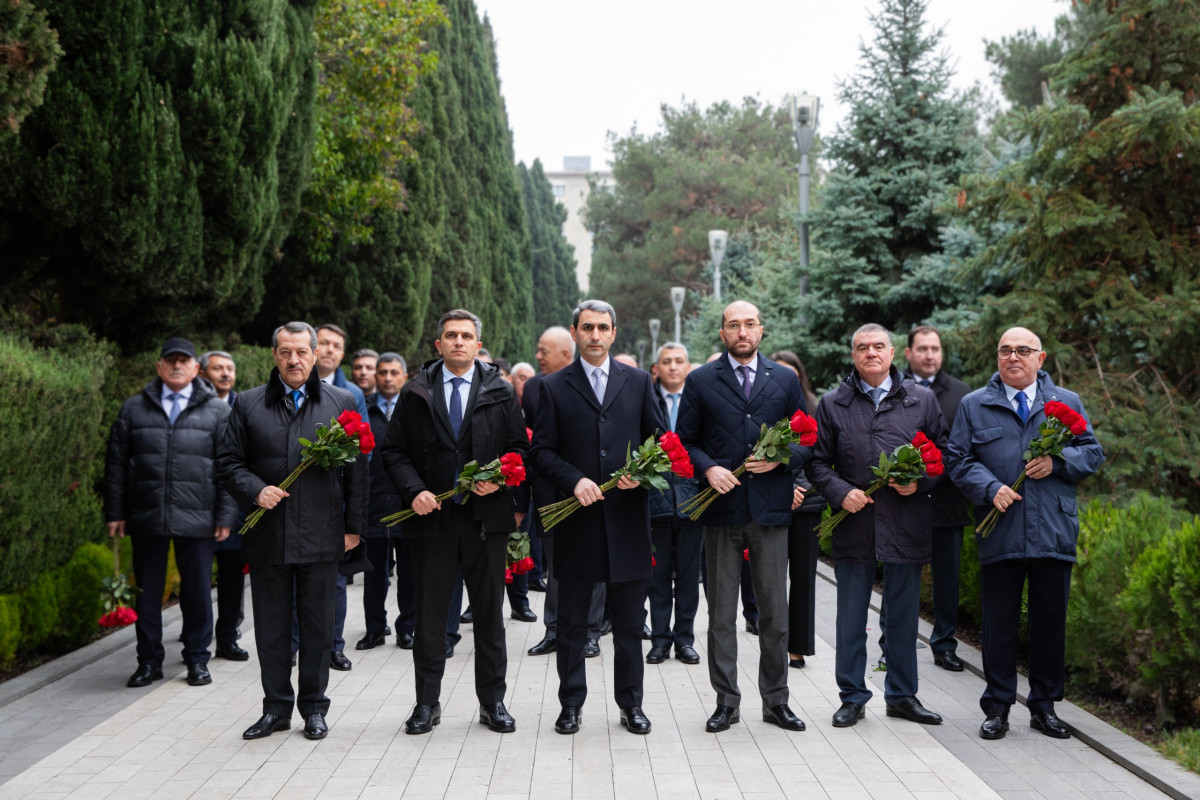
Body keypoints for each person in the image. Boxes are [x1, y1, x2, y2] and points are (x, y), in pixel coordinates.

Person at [946, 327, 1104, 741]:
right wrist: (989, 487)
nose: (1013, 357)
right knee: (998, 624)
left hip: (1052, 529)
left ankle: (1045, 707)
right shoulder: (974, 405)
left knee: (1049, 623)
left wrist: (1058, 461)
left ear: (1040, 358)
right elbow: (958, 460)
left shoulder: (1065, 403)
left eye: (1022, 350)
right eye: (1005, 350)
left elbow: (1092, 452)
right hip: (1001, 531)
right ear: (997, 357)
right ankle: (997, 707)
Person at [217, 321, 367, 740]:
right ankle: (276, 709)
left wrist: (353, 529)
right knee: (272, 630)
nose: (293, 359)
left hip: (322, 535)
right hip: (269, 536)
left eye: (301, 351)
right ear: (274, 356)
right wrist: (254, 490)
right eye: (285, 351)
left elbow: (358, 473)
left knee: (319, 629)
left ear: (315, 354)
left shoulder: (342, 401)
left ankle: (314, 708)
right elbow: (228, 462)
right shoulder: (248, 404)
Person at [380, 310, 528, 735]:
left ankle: (493, 703)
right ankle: (426, 704)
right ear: (438, 345)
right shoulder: (416, 392)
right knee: (429, 617)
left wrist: (498, 481)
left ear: (478, 344)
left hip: (486, 522)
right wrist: (414, 491)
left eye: (466, 336)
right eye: (451, 336)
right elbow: (394, 452)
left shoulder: (501, 391)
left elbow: (519, 449)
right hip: (433, 520)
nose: (459, 342)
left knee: (489, 616)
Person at [531, 300, 664, 735]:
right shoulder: (551, 387)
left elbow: (659, 443)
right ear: (574, 332)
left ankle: (631, 705)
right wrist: (574, 481)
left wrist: (640, 477)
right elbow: (542, 452)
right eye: (587, 327)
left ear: (613, 332)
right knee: (571, 623)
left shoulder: (640, 382)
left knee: (628, 622)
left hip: (626, 521)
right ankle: (571, 705)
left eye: (602, 327)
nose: (594, 335)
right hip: (577, 522)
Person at [677, 301, 808, 734]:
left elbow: (806, 439)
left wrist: (780, 462)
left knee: (774, 611)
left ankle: (776, 702)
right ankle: (726, 702)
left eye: (750, 324)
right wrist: (708, 467)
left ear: (761, 330)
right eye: (734, 325)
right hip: (721, 509)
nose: (742, 332)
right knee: (721, 615)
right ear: (723, 333)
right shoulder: (699, 381)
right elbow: (686, 441)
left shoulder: (785, 380)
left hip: (770, 510)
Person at [808, 324, 948, 729]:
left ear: (892, 354)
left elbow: (945, 453)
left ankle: (902, 696)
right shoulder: (834, 403)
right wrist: (840, 492)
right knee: (851, 618)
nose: (870, 353)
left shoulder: (921, 400)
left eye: (877, 347)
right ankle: (852, 696)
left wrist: (920, 482)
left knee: (903, 618)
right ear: (853, 355)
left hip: (907, 522)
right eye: (861, 347)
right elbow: (817, 461)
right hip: (856, 522)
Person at [105, 338, 238, 689]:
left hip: (198, 516)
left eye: (184, 361)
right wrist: (115, 512)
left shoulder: (217, 410)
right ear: (159, 367)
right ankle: (148, 661)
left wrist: (226, 515)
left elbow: (229, 467)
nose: (177, 366)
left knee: (196, 590)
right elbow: (116, 465)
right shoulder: (134, 408)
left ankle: (197, 659)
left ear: (196, 368)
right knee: (147, 592)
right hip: (147, 514)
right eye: (171, 360)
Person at [525, 326, 606, 656]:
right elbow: (539, 444)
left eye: (544, 350)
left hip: (596, 491)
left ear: (565, 352)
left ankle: (591, 631)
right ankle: (554, 630)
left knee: (597, 566)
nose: (538, 356)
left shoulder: (599, 383)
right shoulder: (533, 387)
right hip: (552, 494)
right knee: (555, 565)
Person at [900, 326, 971, 671]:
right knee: (901, 575)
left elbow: (963, 449)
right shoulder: (893, 388)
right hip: (903, 502)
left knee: (947, 578)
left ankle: (944, 644)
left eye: (936, 349)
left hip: (947, 502)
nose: (930, 355)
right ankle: (893, 642)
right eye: (923, 348)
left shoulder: (961, 394)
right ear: (908, 353)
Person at [314, 323, 369, 672]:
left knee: (333, 582)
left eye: (336, 345)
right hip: (295, 500)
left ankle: (334, 645)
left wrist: (354, 520)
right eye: (324, 343)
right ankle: (293, 644)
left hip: (334, 504)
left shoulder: (351, 395)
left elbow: (361, 453)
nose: (330, 349)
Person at [645, 342, 702, 666]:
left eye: (679, 361)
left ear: (687, 366)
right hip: (656, 503)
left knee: (688, 576)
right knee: (658, 577)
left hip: (692, 499)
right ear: (657, 368)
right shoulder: (646, 399)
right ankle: (660, 639)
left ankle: (685, 640)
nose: (672, 367)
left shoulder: (698, 398)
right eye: (666, 361)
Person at [357, 353, 417, 651]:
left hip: (409, 507)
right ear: (375, 376)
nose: (388, 377)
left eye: (395, 372)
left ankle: (408, 626)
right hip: (374, 504)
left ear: (404, 376)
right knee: (373, 574)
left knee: (409, 572)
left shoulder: (416, 409)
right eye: (383, 372)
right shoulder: (363, 411)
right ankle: (374, 628)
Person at [769, 349, 824, 670]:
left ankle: (799, 646)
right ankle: (774, 641)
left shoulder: (815, 407)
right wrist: (783, 489)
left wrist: (798, 488)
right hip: (775, 502)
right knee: (771, 579)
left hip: (808, 503)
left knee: (803, 579)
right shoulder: (766, 409)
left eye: (793, 374)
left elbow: (817, 454)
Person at [199, 350, 249, 662]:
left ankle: (228, 636)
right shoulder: (195, 407)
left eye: (229, 368)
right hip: (200, 508)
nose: (225, 374)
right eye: (218, 368)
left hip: (236, 509)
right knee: (200, 579)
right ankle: (198, 636)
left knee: (232, 580)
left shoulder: (244, 405)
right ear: (203, 373)